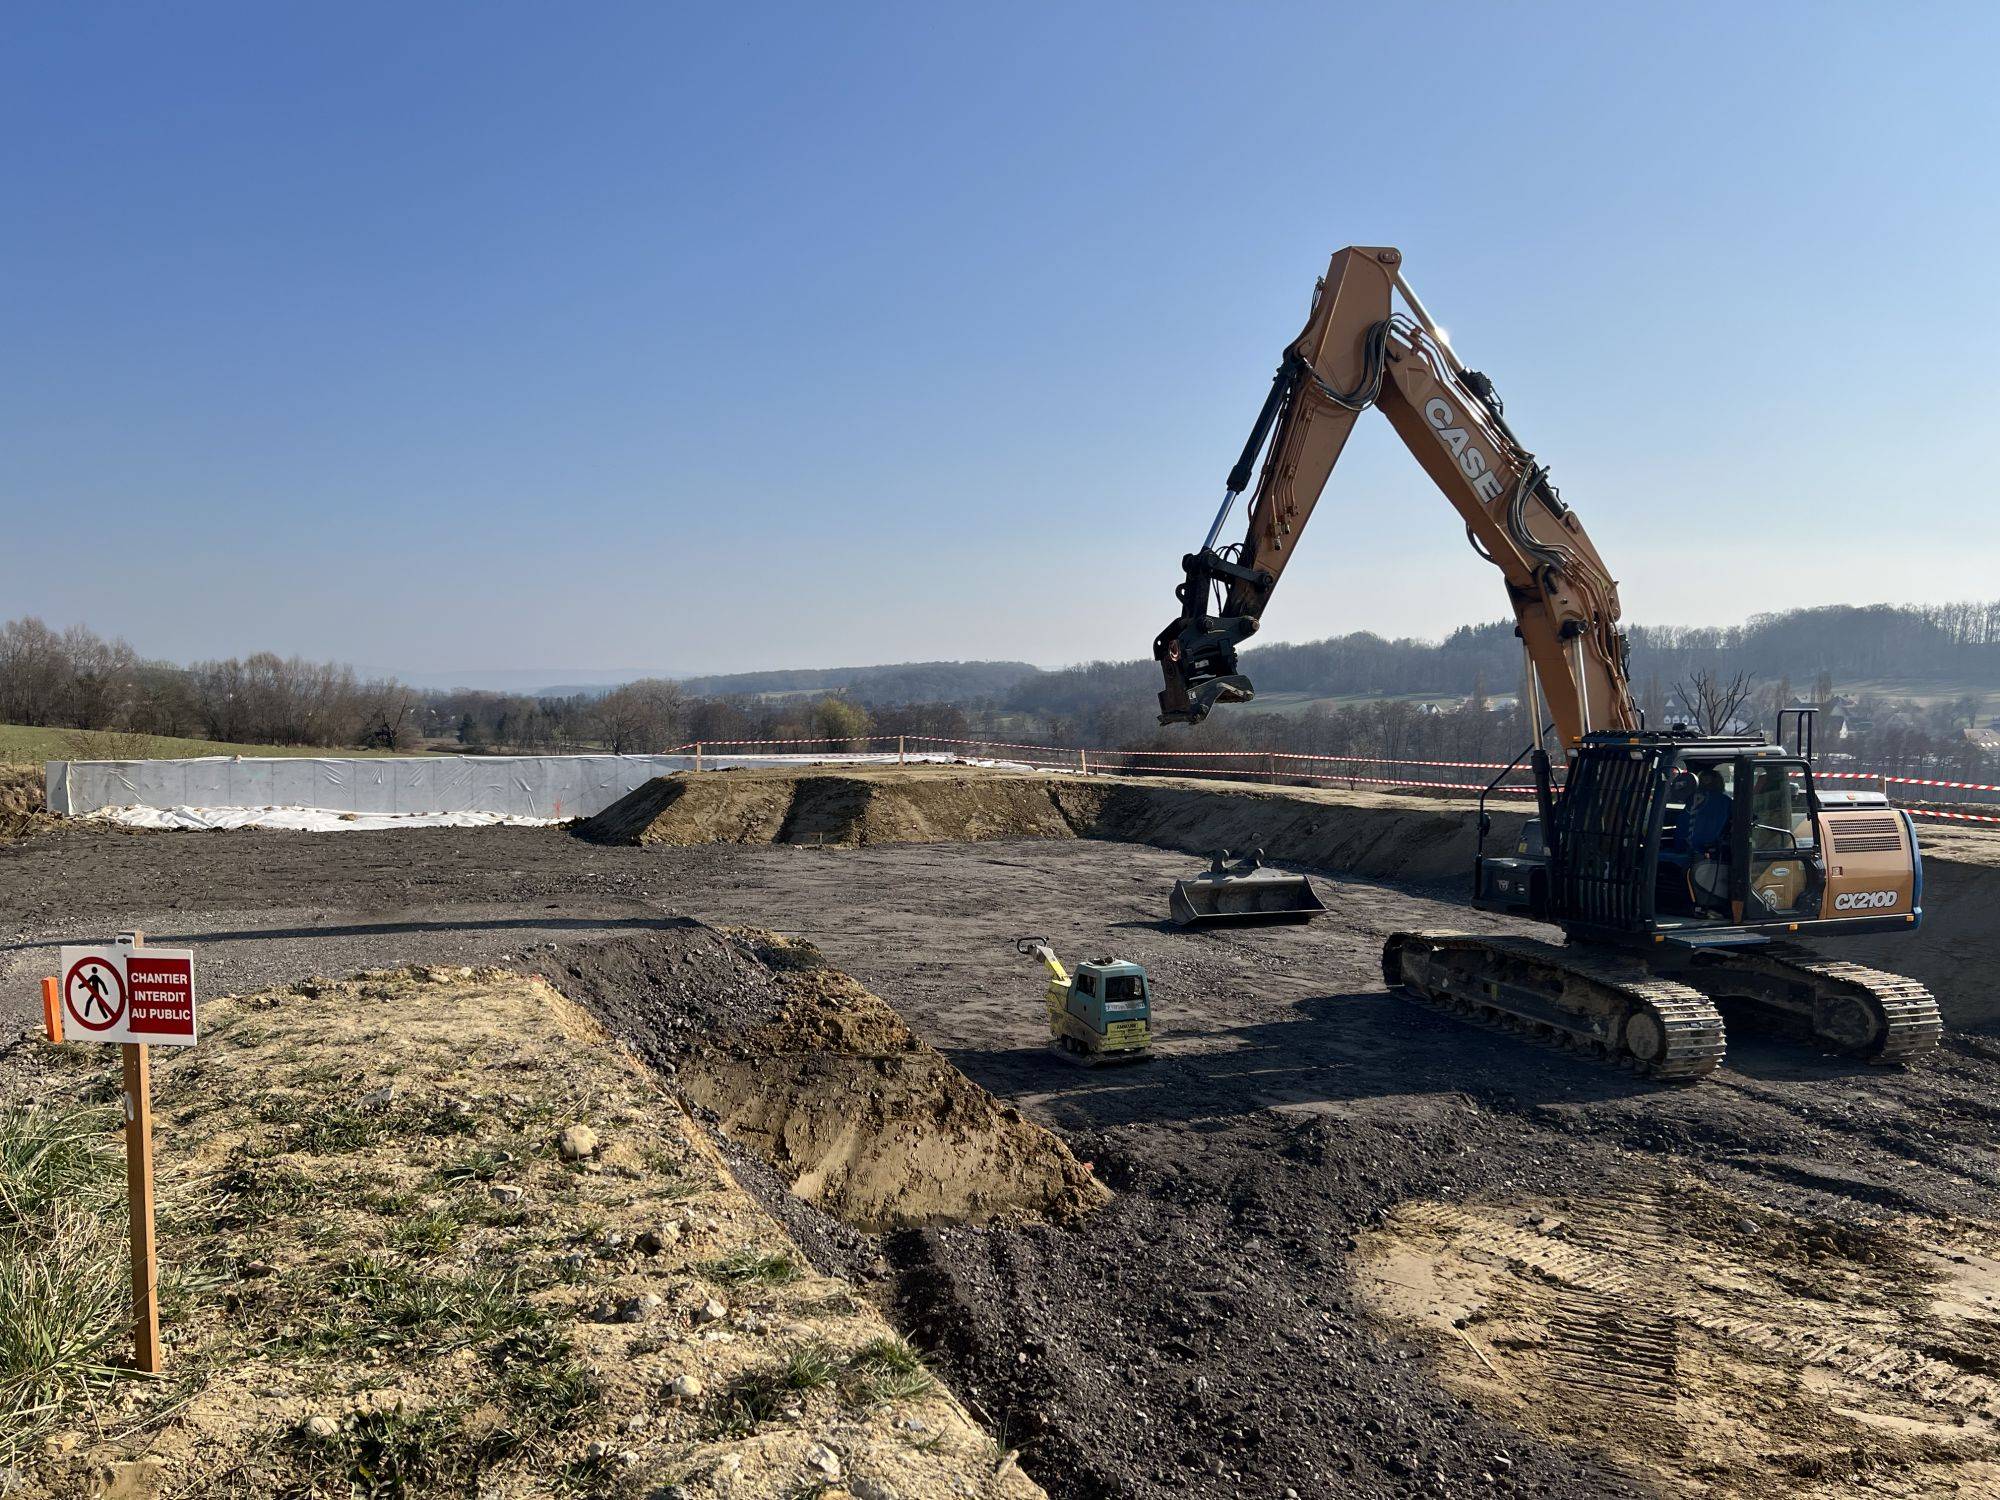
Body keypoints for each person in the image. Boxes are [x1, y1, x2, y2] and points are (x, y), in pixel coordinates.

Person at [1663, 767, 1732, 867]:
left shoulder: (1694, 799)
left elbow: (1683, 826)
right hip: (1706, 850)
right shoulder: (1726, 801)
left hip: (1696, 851)